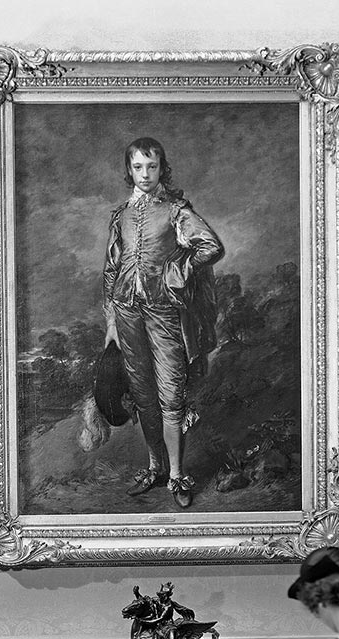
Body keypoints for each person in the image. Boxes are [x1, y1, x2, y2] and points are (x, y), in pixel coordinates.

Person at [103, 135, 224, 509]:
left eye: (151, 166)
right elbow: (111, 268)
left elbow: (211, 246)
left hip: (164, 312)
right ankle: (155, 466)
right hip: (126, 312)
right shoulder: (120, 216)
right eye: (137, 167)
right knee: (142, 393)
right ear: (128, 170)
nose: (144, 173)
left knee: (171, 394)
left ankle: (176, 475)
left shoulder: (176, 211)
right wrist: (109, 319)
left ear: (161, 168)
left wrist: (178, 268)